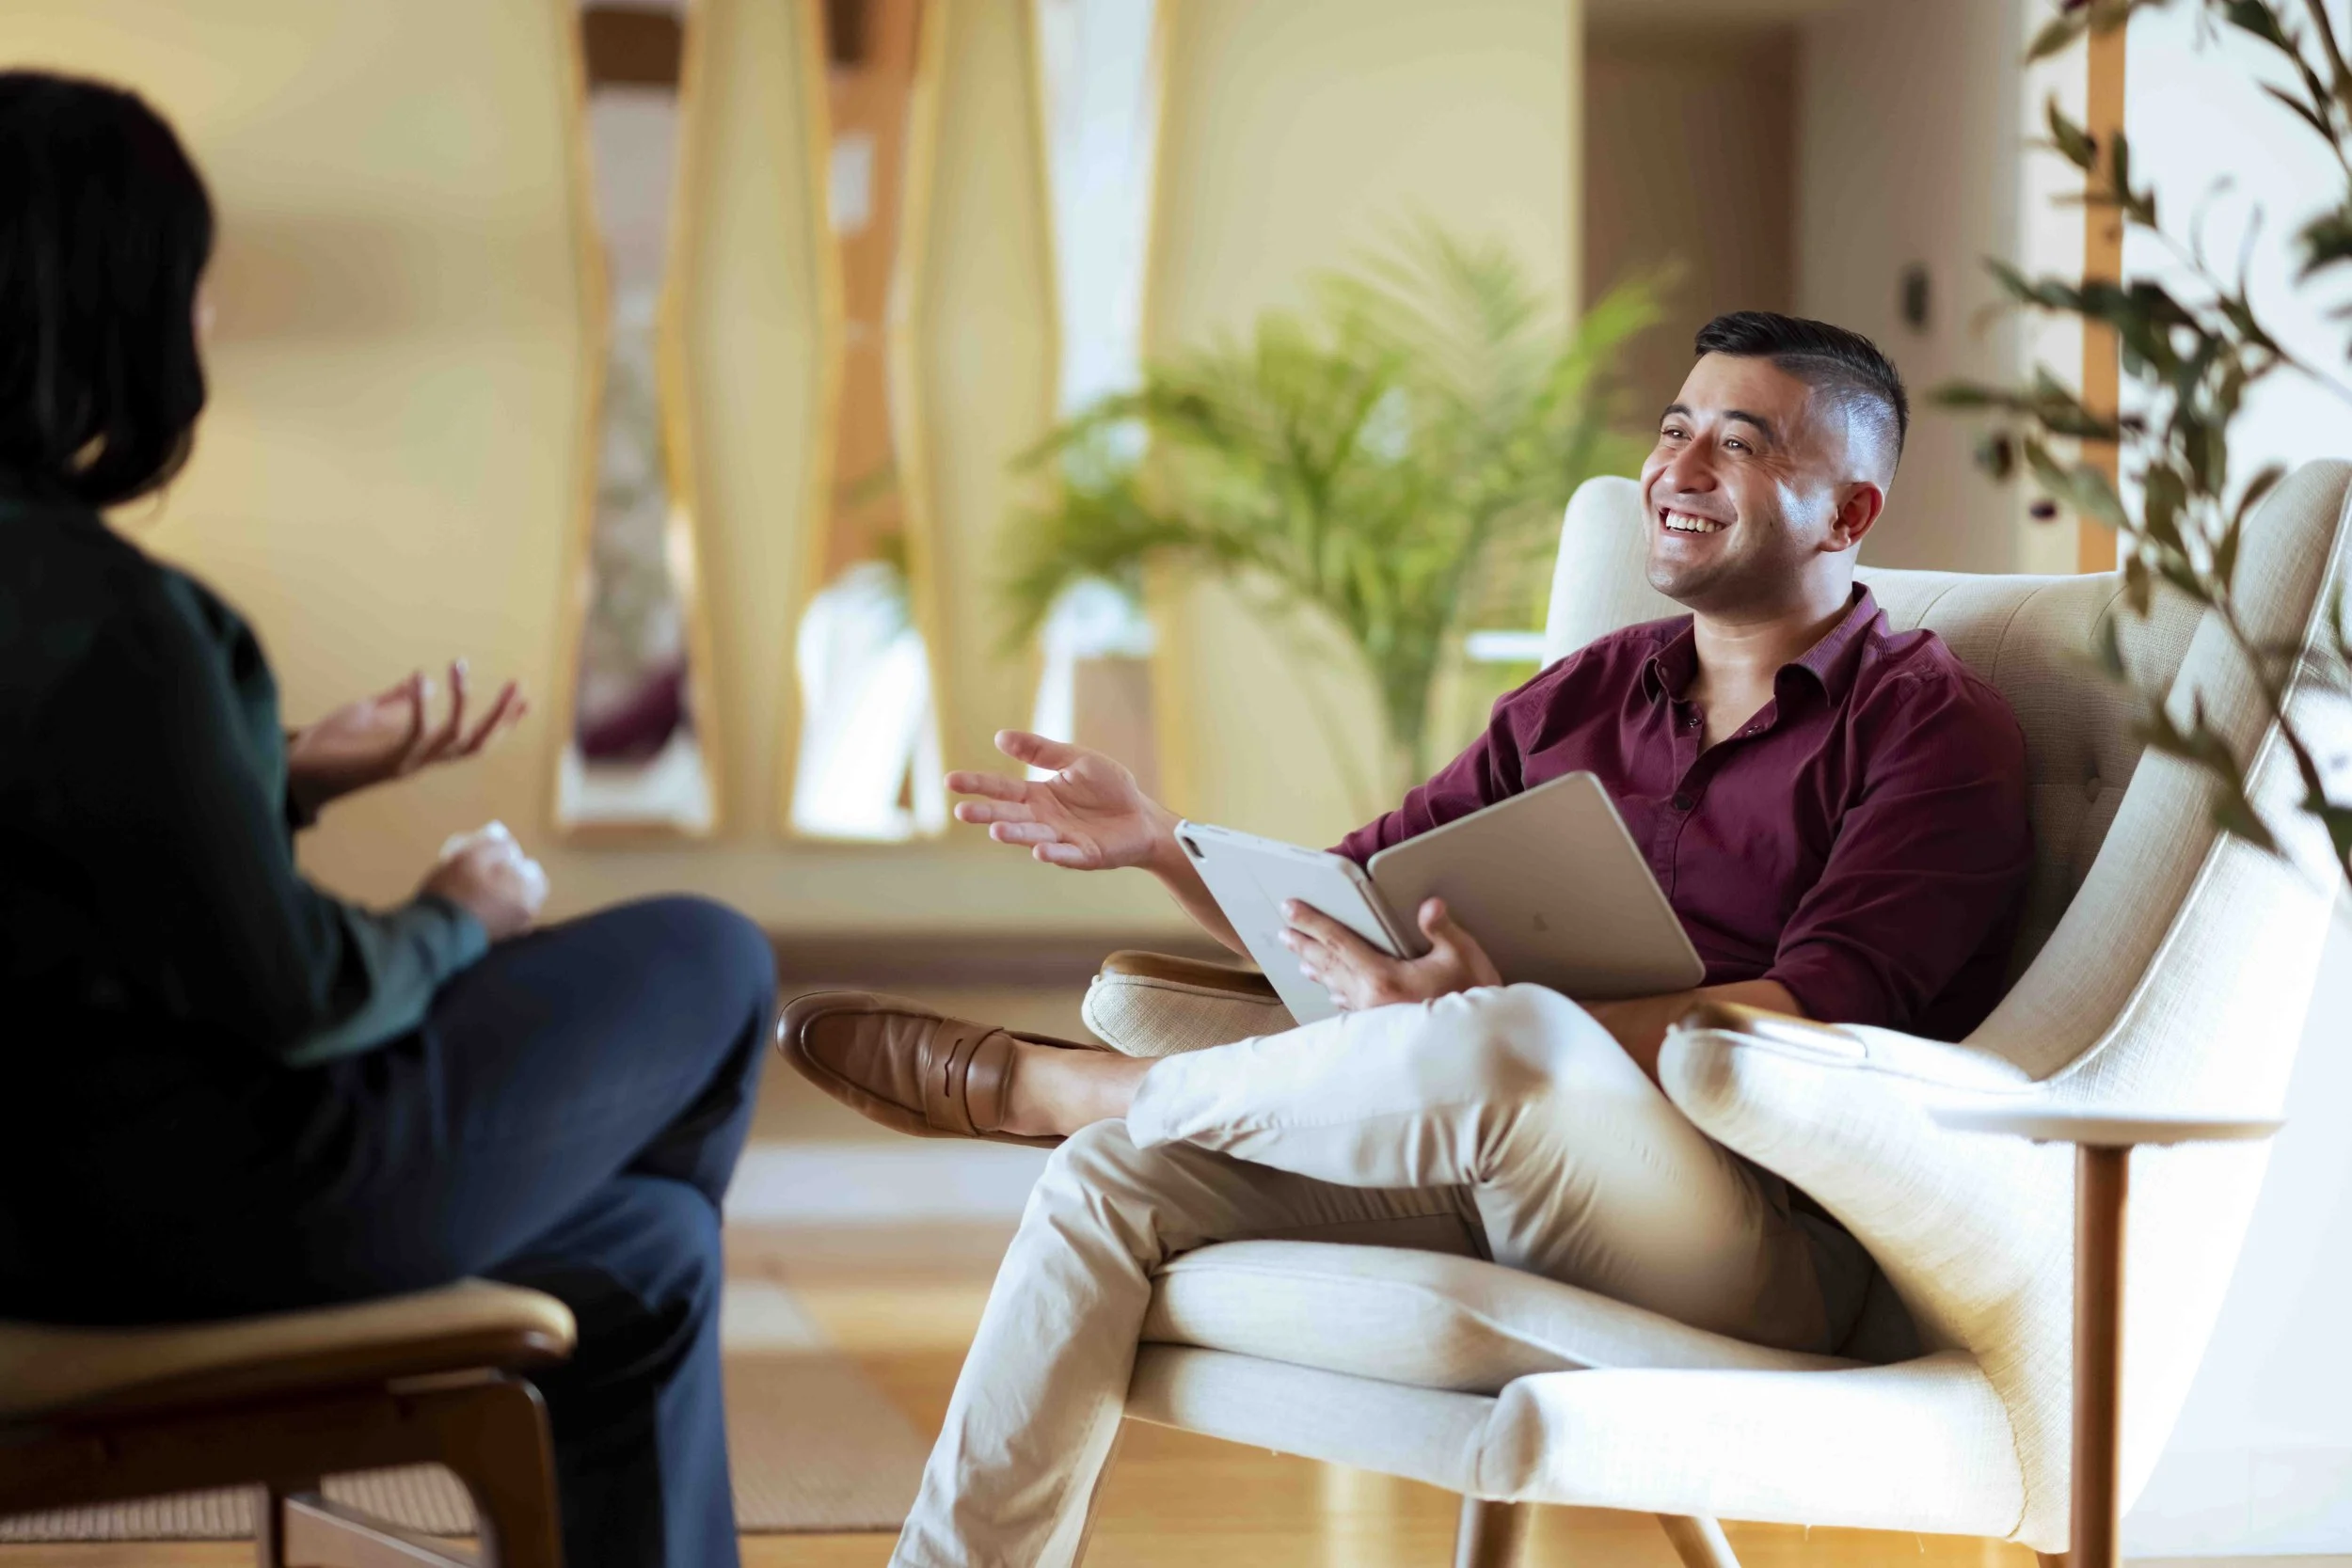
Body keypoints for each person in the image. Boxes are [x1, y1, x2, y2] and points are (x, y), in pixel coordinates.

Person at [779, 310, 2036, 1566]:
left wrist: (1488, 1023)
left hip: (1761, 1234)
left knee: (1513, 1033)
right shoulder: (1589, 693)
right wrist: (1163, 843)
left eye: (1741, 445)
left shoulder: (1933, 730)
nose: (1681, 468)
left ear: (1848, 514)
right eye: (1675, 429)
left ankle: (1081, 1087)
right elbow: (1346, 906)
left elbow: (1813, 1021)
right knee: (1108, 1179)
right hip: (1493, 1148)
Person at [0, 71, 772, 1568]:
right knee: (716, 957)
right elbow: (295, 996)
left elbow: (60, 866)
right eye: (191, 281)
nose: (207, 316)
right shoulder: (116, 623)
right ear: (107, 304)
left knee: (653, 1253)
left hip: (36, 1209)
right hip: (189, 1209)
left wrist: (284, 775)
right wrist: (455, 915)